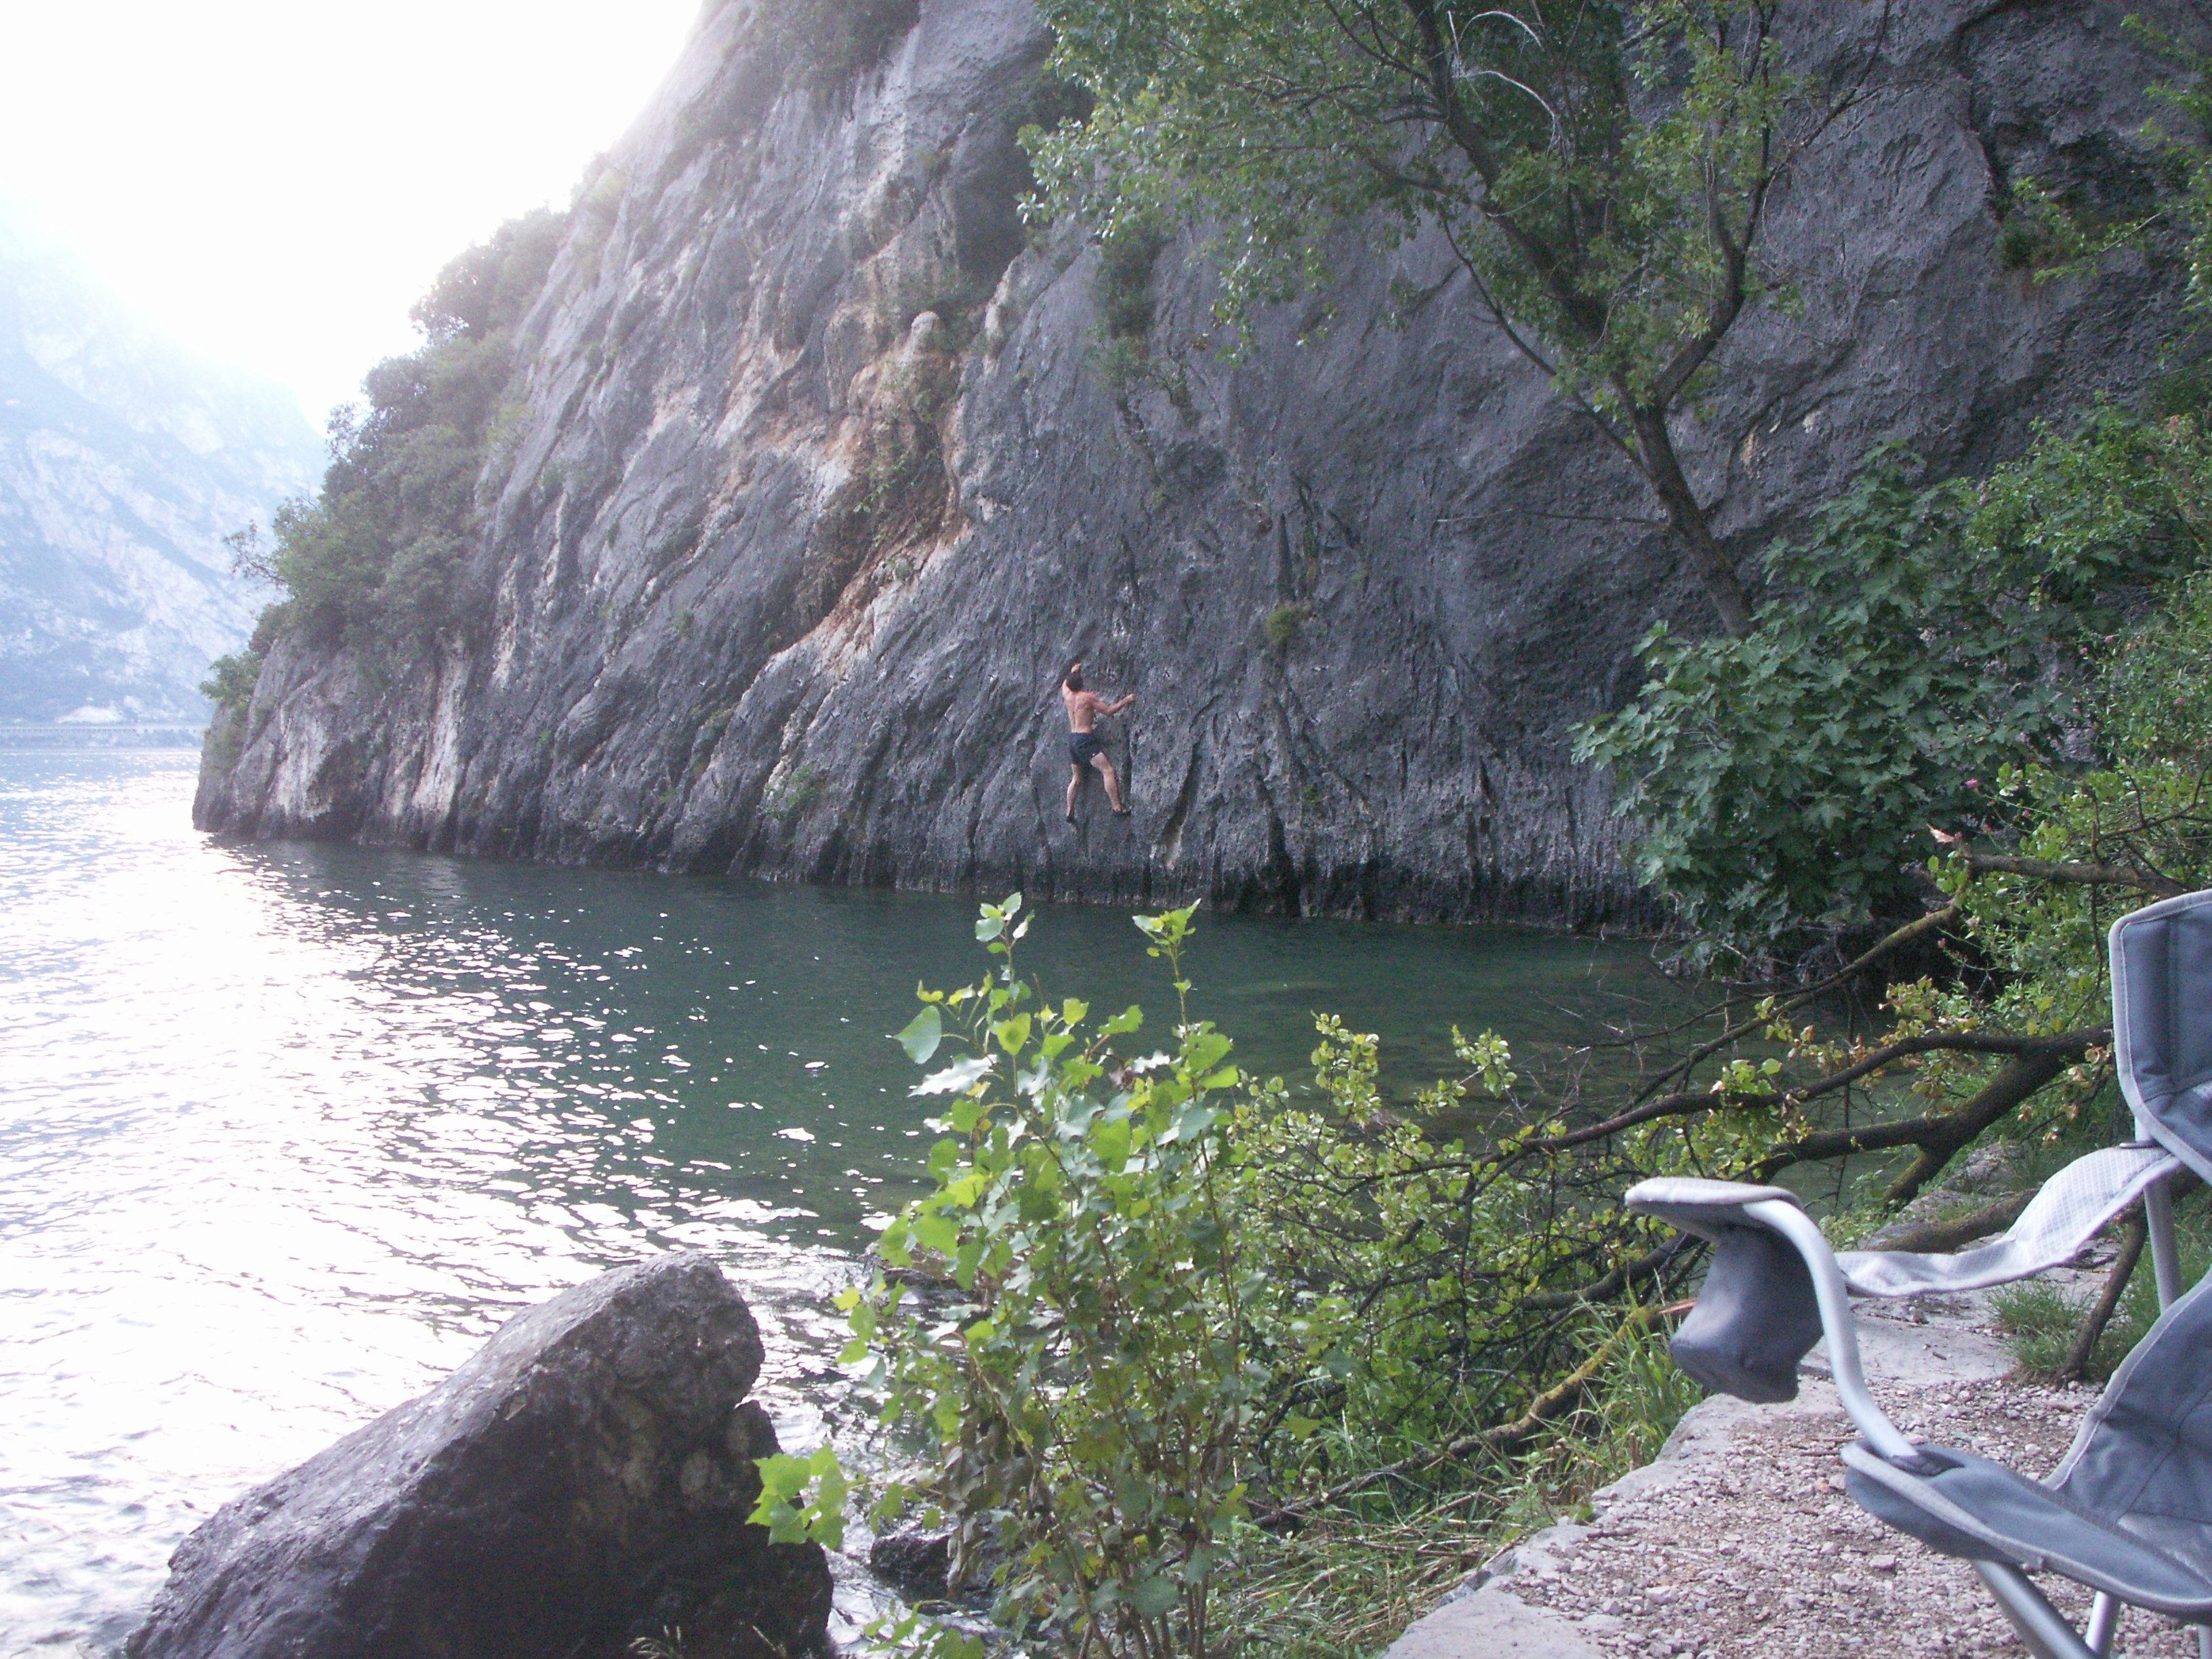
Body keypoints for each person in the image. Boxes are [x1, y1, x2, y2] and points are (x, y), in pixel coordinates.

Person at [1060, 660, 1134, 821]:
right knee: (1107, 770)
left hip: (1073, 740)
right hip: (1084, 740)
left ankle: (1069, 811)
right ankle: (1117, 807)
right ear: (1082, 683)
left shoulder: (1067, 695)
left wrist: (1073, 671)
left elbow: (1065, 684)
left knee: (1076, 778)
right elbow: (1109, 711)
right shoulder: (1087, 698)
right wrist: (1126, 701)